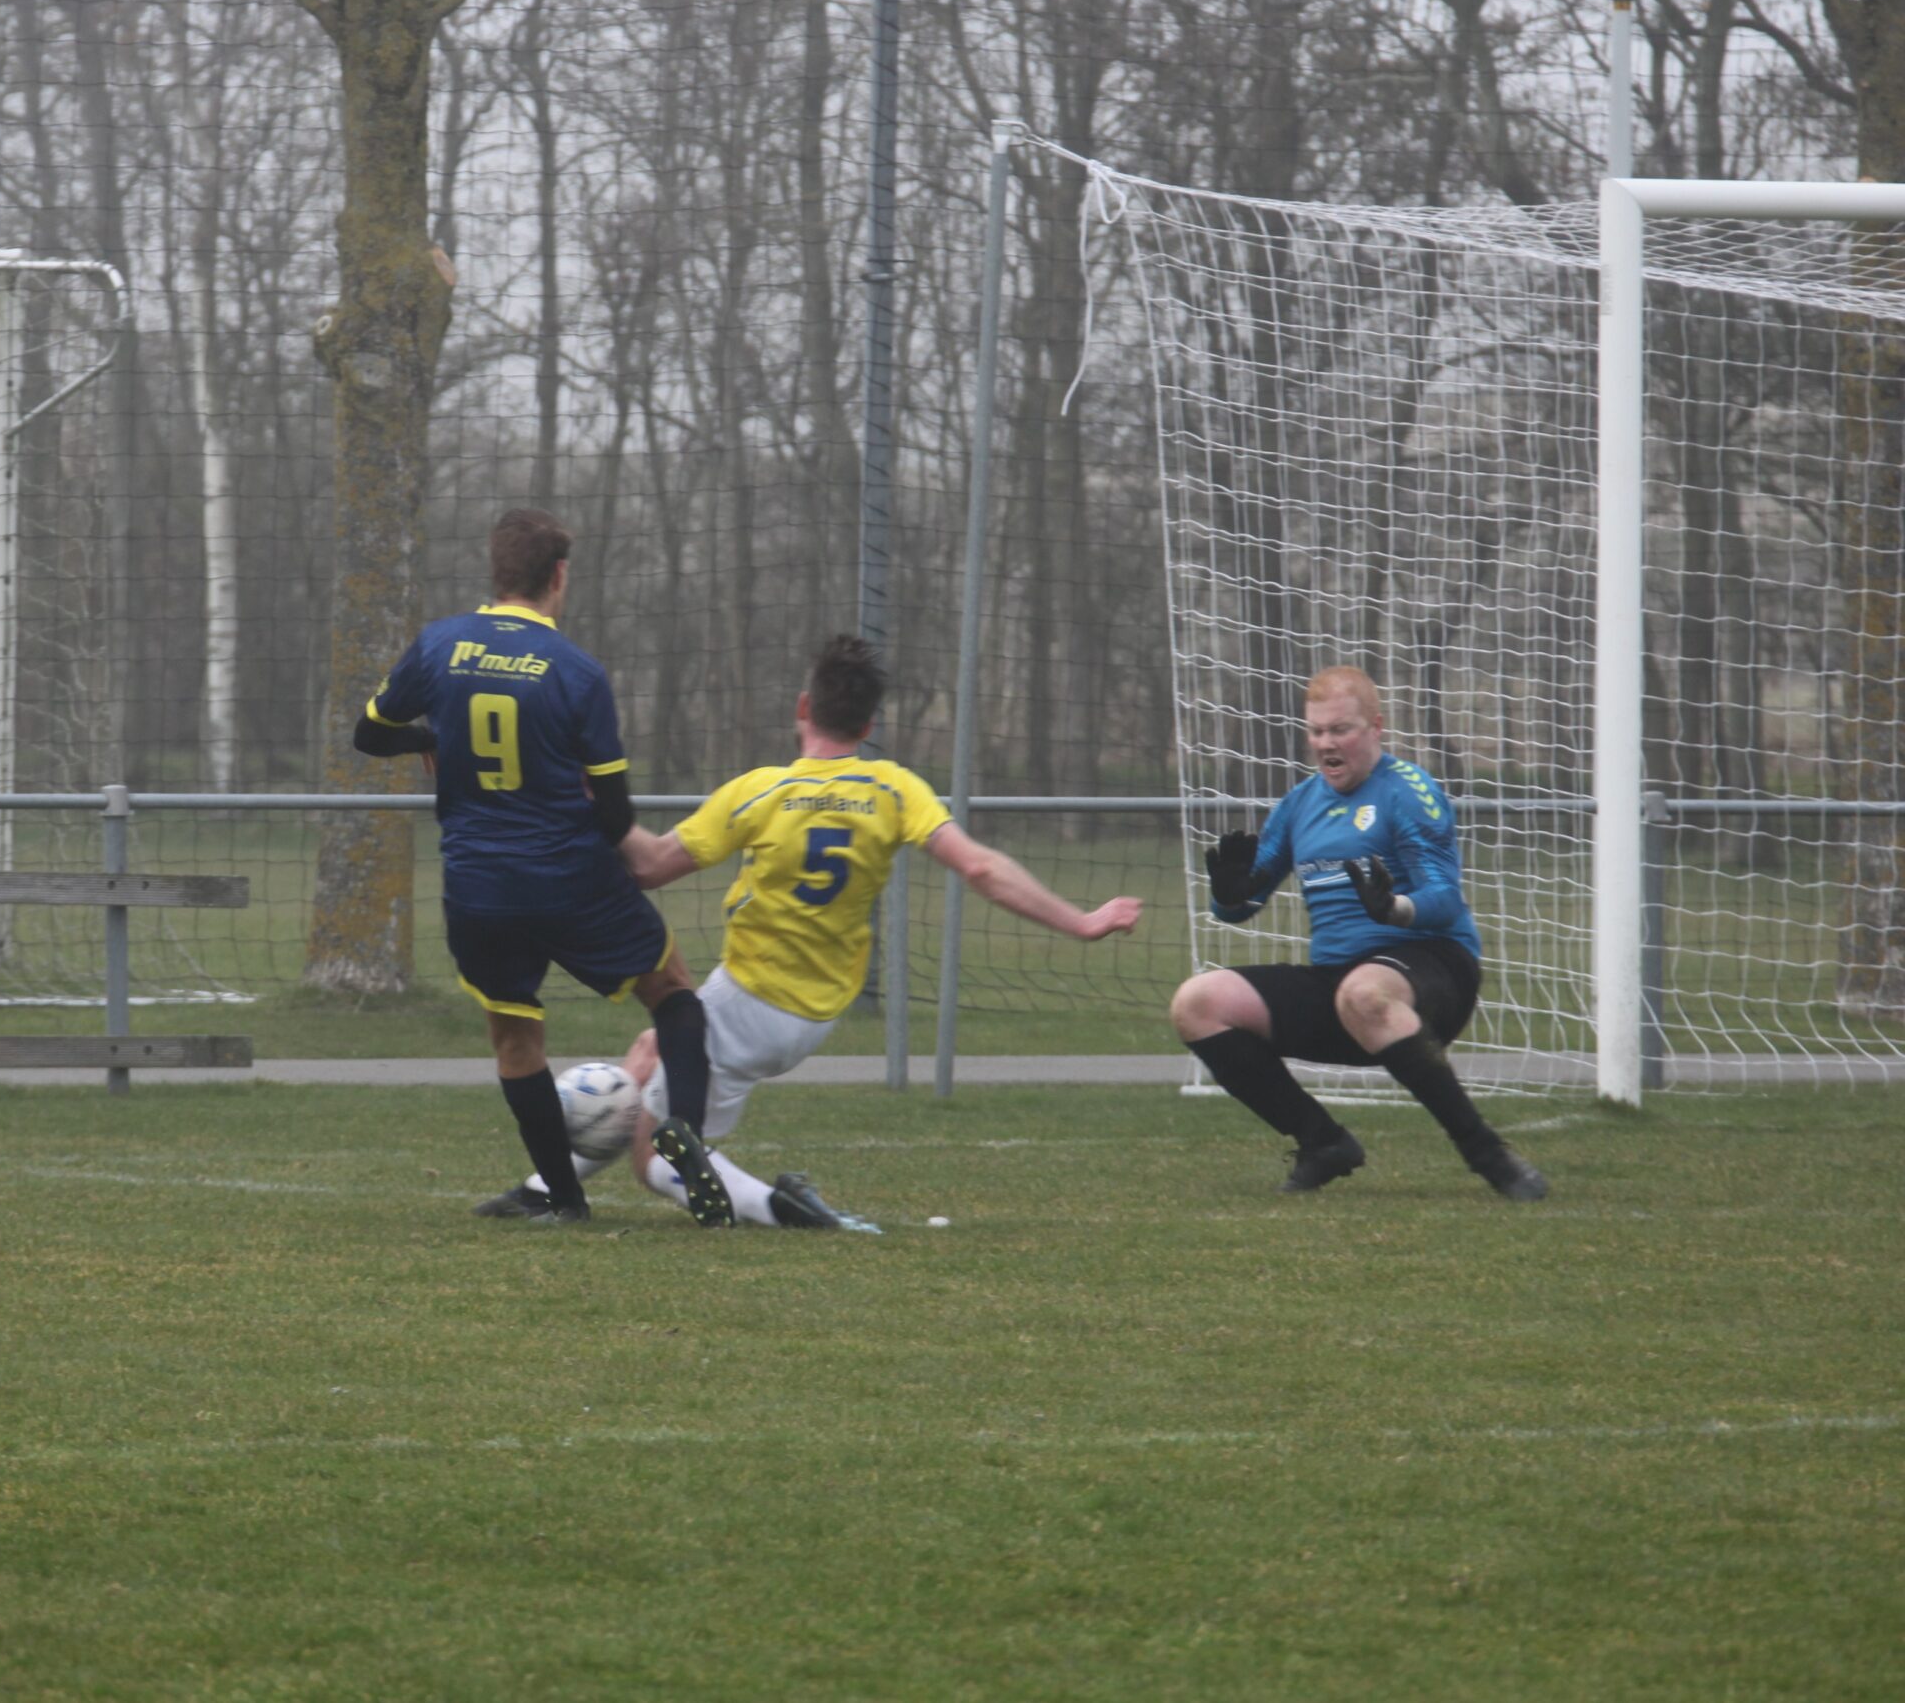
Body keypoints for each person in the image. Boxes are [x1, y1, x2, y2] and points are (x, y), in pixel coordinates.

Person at [474, 634, 1143, 1229]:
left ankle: (781, 1208)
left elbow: (648, 868)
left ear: (803, 708)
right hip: (815, 1010)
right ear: (869, 722)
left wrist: (591, 807)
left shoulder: (761, 792)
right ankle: (542, 1190)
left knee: (652, 1159)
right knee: (649, 1048)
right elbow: (983, 868)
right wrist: (1080, 922)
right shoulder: (895, 789)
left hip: (750, 999)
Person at [353, 507, 732, 1227]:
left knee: (516, 1036)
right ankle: (684, 1128)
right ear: (559, 576)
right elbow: (617, 819)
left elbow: (368, 733)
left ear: (495, 573)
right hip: (570, 876)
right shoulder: (577, 673)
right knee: (674, 992)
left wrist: (430, 736)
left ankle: (564, 1199)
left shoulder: (439, 646)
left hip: (478, 885)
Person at [1171, 666, 1548, 1201]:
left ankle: (1488, 1155)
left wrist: (1393, 908)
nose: (1327, 743)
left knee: (1364, 992)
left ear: (1376, 728)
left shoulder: (1408, 792)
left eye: (1341, 730)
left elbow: (1444, 900)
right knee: (1197, 1001)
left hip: (1432, 968)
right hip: (1340, 984)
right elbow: (1244, 904)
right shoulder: (1300, 804)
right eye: (1317, 731)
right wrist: (1228, 895)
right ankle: (1322, 1142)